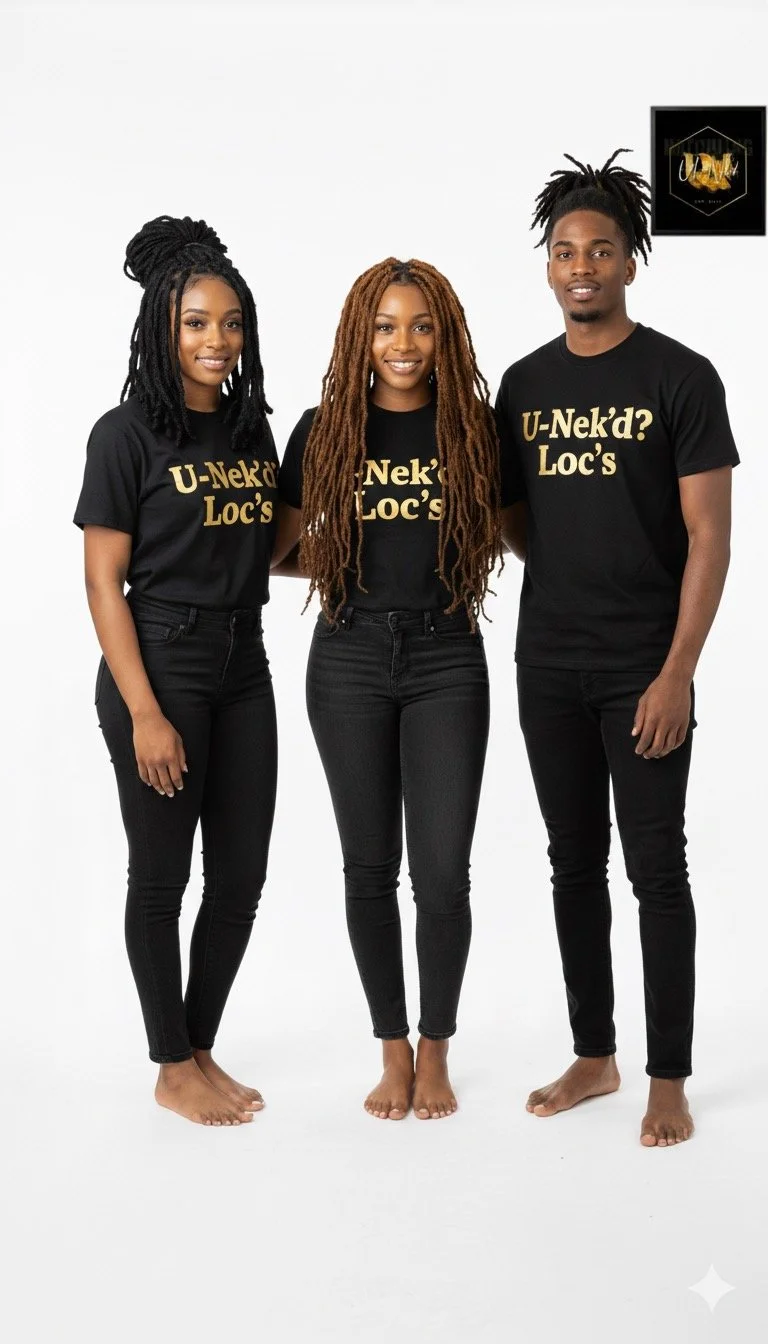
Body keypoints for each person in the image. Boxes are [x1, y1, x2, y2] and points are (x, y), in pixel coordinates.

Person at [496, 151, 739, 1146]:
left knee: (655, 869)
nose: (582, 264)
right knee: (570, 864)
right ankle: (594, 1054)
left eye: (601, 248)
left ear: (630, 263)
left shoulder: (680, 376)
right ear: (549, 268)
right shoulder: (521, 384)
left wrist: (677, 669)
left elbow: (712, 535)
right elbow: (514, 518)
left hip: (646, 668)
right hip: (547, 663)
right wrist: (566, 570)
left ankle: (668, 1075)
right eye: (565, 250)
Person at [273, 258, 512, 1119]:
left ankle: (438, 1049)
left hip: (449, 655)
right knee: (369, 868)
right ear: (358, 337)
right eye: (384, 327)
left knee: (443, 874)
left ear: (444, 334)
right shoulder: (323, 429)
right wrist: (341, 571)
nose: (402, 344)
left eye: (420, 326)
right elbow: (276, 550)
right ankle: (392, 1050)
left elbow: (522, 534)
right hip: (348, 658)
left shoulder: (476, 429)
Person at [74, 216, 279, 1127]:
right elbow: (102, 581)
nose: (215, 341)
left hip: (245, 664)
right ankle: (169, 1064)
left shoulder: (248, 428)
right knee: (161, 880)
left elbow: (269, 547)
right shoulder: (124, 434)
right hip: (158, 661)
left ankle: (197, 1046)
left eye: (230, 322)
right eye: (197, 322)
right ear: (164, 325)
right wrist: (145, 711)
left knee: (239, 878)